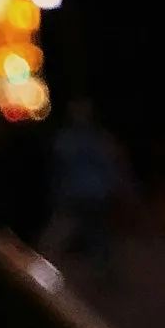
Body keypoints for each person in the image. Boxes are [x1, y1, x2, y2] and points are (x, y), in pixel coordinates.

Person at [49, 98, 130, 273]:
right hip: (82, 192)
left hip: (93, 193)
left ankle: (98, 266)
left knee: (95, 229)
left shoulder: (95, 140)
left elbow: (110, 165)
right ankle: (93, 265)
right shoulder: (69, 140)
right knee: (90, 229)